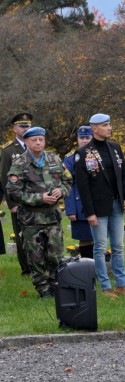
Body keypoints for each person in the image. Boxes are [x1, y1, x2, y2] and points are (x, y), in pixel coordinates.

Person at [73, 113, 125, 298]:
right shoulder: (83, 153)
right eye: (105, 125)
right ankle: (106, 287)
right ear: (94, 128)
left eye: (109, 124)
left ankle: (121, 285)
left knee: (118, 246)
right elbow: (83, 186)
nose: (109, 128)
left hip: (116, 204)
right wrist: (89, 212)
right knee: (100, 247)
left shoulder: (115, 148)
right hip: (97, 207)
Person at [5, 127, 72, 298]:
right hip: (31, 220)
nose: (38, 143)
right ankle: (43, 290)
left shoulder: (54, 159)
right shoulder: (20, 163)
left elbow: (67, 181)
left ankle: (56, 286)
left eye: (41, 140)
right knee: (36, 257)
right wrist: (39, 198)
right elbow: (13, 191)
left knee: (56, 255)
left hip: (53, 217)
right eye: (34, 140)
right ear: (26, 142)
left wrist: (61, 191)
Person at [0, 112, 34, 274]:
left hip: (37, 198)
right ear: (15, 129)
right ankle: (26, 268)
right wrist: (12, 204)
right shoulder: (8, 151)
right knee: (21, 235)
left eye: (28, 126)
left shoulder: (36, 145)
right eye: (22, 126)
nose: (26, 129)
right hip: (19, 201)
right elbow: (5, 178)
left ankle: (39, 265)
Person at [63, 125, 94, 258]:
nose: (85, 140)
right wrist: (70, 209)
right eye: (82, 138)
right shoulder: (70, 158)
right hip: (79, 205)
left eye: (88, 137)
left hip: (98, 203)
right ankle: (87, 266)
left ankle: (99, 267)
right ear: (77, 139)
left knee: (100, 238)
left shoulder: (100, 155)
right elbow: (67, 184)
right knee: (85, 238)